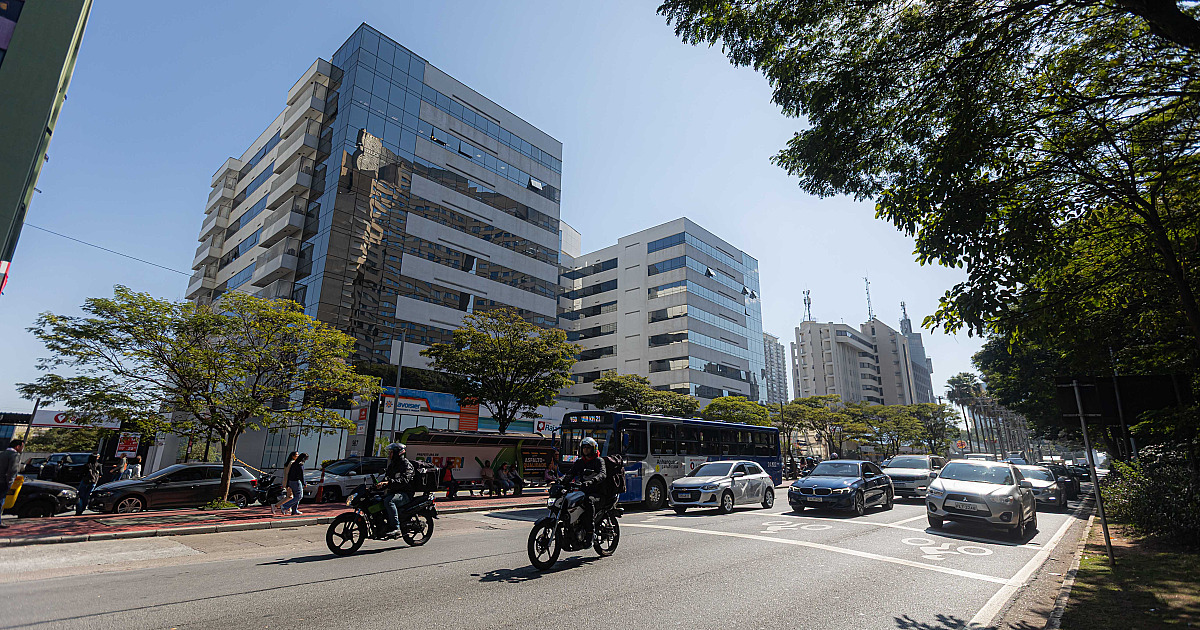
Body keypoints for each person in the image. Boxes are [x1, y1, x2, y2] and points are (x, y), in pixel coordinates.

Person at [563, 437, 607, 537]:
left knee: (588, 501)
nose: (585, 450)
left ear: (593, 449)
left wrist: (592, 481)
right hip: (582, 491)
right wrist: (561, 480)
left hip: (597, 493)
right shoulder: (580, 462)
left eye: (588, 448)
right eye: (584, 448)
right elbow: (571, 473)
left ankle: (590, 533)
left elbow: (602, 474)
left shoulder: (599, 461)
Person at [380, 443, 414, 535]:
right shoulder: (392, 465)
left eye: (391, 452)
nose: (389, 454)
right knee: (376, 499)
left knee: (389, 501)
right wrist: (378, 485)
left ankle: (396, 527)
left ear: (397, 453)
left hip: (405, 493)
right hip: (394, 492)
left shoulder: (406, 465)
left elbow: (404, 480)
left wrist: (389, 483)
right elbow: (387, 478)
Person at [0, 439, 25, 528]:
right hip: (3, 482)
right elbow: (12, 471)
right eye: (22, 447)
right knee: (1, 501)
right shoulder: (15, 455)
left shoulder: (2, 454)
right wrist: (10, 483)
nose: (22, 449)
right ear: (17, 447)